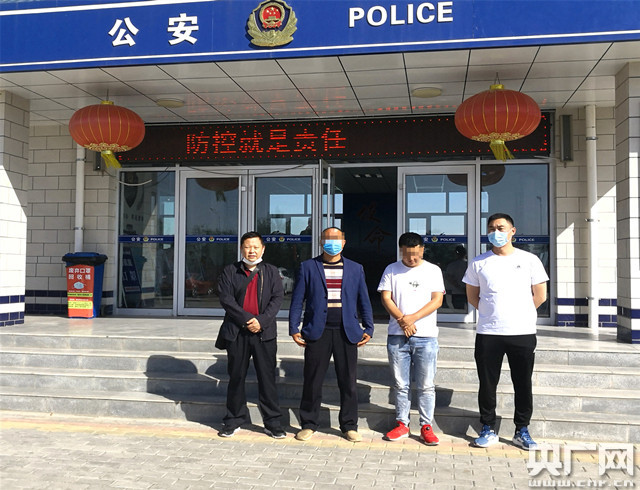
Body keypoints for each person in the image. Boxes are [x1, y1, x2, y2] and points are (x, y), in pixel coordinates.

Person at [463, 213, 548, 450]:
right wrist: (492, 313)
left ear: (512, 231)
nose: (496, 232)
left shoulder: (530, 260)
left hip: (522, 332)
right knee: (487, 384)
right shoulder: (479, 262)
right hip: (489, 333)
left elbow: (540, 295)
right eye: (491, 228)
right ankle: (488, 427)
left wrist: (518, 313)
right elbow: (472, 297)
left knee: (523, 383)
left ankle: (522, 429)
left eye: (501, 228)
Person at [289, 227, 374, 442]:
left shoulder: (355, 268)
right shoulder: (308, 267)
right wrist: (294, 328)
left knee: (348, 382)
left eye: (337, 239)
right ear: (321, 242)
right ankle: (309, 424)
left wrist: (369, 327)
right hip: (318, 331)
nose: (332, 242)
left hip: (347, 331)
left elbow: (363, 300)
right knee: (312, 380)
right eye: (328, 239)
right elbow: (297, 300)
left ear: (344, 242)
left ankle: (349, 425)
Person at [215, 231, 285, 439]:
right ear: (241, 249)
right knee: (236, 377)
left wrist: (261, 321)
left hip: (264, 333)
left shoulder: (271, 272)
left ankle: (272, 423)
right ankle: (233, 419)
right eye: (247, 247)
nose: (251, 251)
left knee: (267, 378)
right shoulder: (230, 271)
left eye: (255, 247)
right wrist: (247, 320)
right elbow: (226, 299)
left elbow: (277, 299)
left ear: (263, 249)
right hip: (237, 332)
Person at [377, 232, 445, 445]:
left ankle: (426, 426)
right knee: (400, 384)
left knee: (426, 385)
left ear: (422, 250)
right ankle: (402, 424)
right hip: (397, 336)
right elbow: (386, 297)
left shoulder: (433, 270)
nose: (411, 258)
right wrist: (402, 320)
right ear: (401, 251)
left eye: (415, 254)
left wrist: (412, 318)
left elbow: (437, 300)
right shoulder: (391, 269)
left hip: (426, 337)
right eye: (407, 255)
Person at [444, 245, 468, 310]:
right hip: (467, 291)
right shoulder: (469, 264)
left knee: (459, 310)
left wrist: (459, 287)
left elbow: (449, 278)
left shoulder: (452, 265)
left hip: (456, 292)